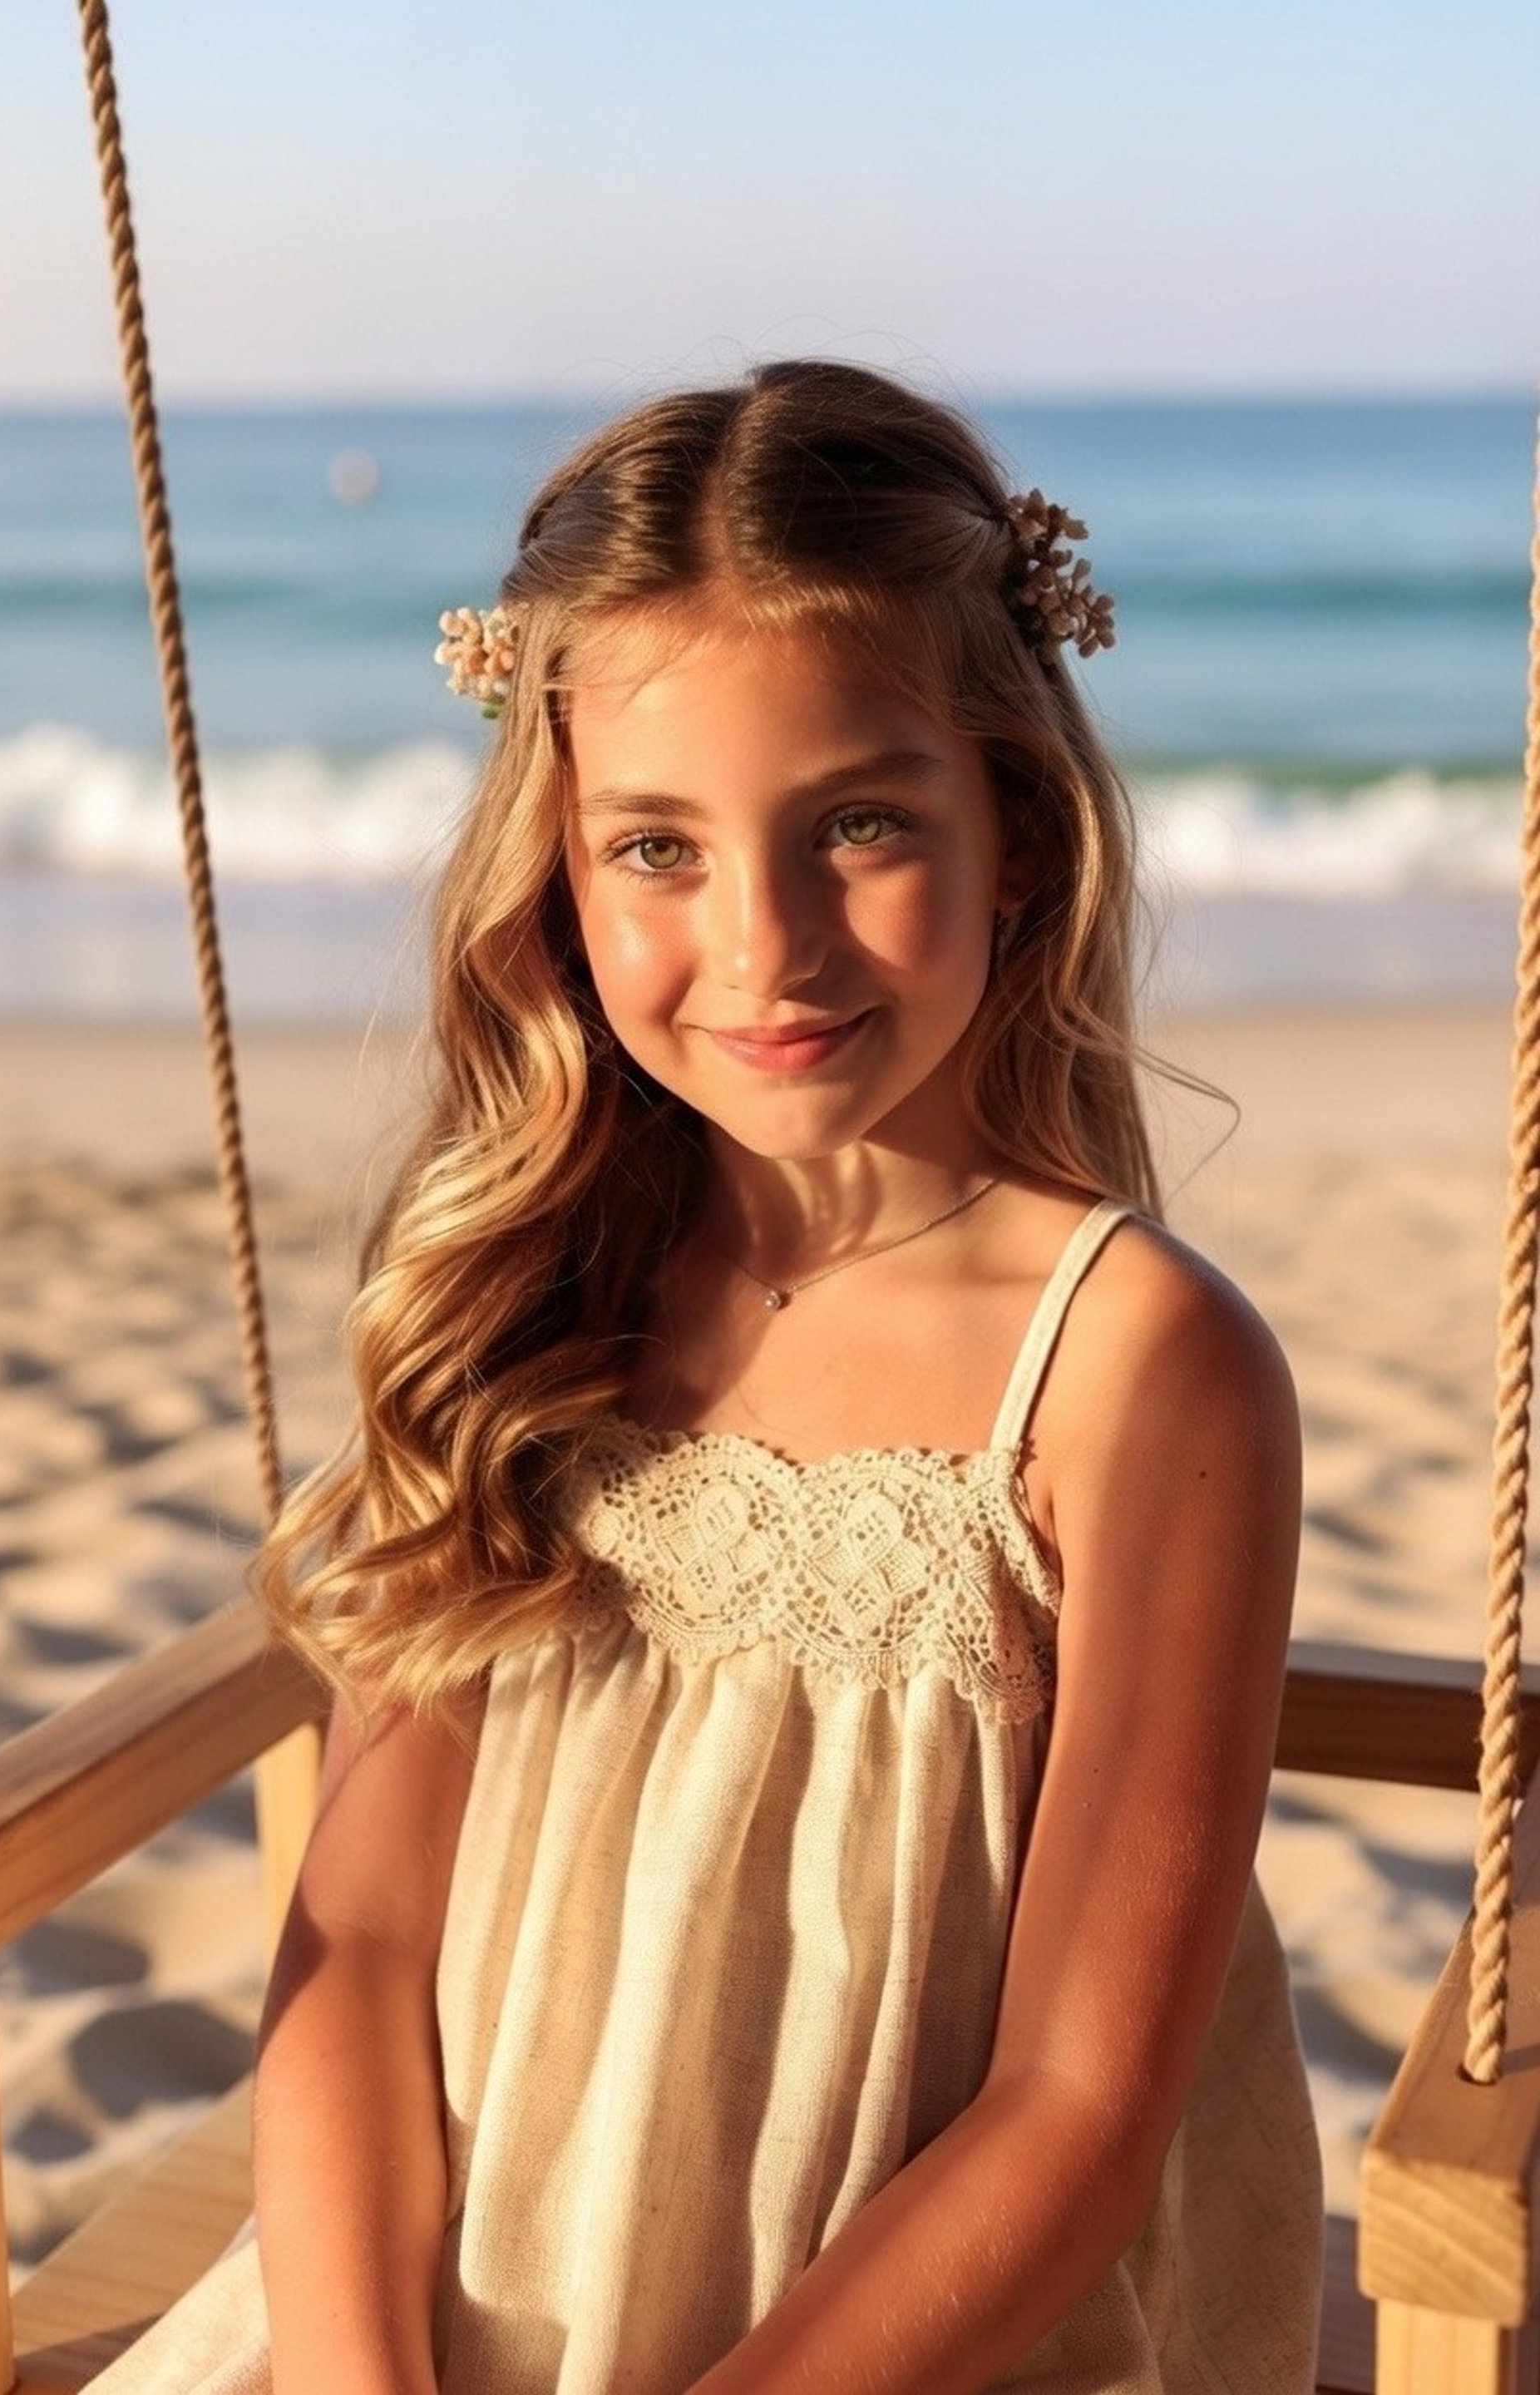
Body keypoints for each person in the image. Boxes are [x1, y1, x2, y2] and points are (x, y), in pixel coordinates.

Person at [91, 358, 1323, 2394]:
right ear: (559, 872)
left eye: (860, 825)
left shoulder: (1135, 1370)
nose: (766, 948)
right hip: (424, 2319)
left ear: (1018, 833)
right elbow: (366, 1944)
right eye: (656, 846)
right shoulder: (521, 1293)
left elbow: (1080, 2110)